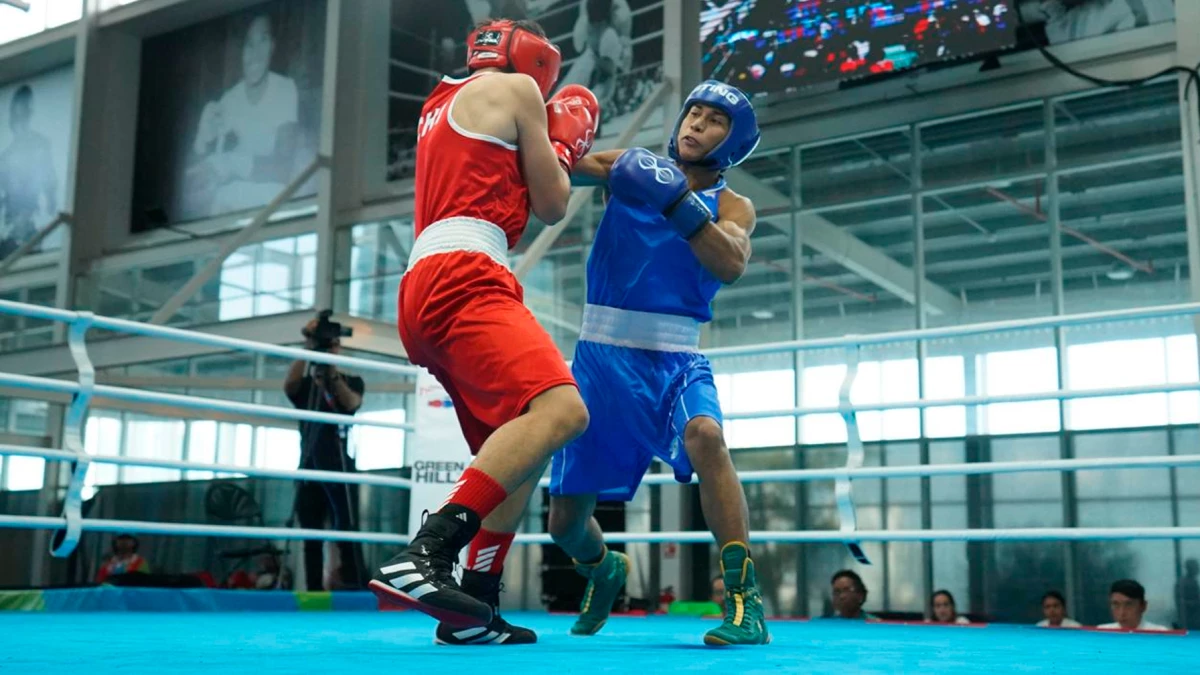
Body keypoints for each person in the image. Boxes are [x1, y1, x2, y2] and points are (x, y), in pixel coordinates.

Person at [368, 18, 600, 646]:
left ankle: (474, 607)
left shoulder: (440, 103)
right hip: (467, 273)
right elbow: (551, 204)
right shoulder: (521, 91)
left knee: (517, 450)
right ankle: (427, 551)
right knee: (564, 409)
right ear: (537, 64)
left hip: (423, 284)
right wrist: (564, 146)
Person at [546, 80, 765, 646]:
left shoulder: (733, 205)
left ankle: (745, 602)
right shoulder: (630, 166)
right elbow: (559, 170)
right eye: (692, 112)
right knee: (565, 524)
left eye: (714, 119)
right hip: (599, 358)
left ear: (733, 139)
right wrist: (535, 126)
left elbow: (732, 261)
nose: (696, 123)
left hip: (675, 358)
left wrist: (676, 202)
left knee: (706, 435)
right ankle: (603, 568)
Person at [189, 13, 304, 217]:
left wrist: (232, 163)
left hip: (271, 203)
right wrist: (201, 139)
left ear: (273, 46)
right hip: (229, 209)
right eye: (248, 45)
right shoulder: (228, 100)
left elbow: (284, 170)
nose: (256, 54)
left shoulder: (285, 89)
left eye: (263, 40)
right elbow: (195, 182)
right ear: (239, 51)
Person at [283, 314, 366, 591]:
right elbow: (289, 386)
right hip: (309, 464)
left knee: (347, 530)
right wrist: (309, 347)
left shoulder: (351, 379)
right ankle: (314, 591)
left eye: (332, 344)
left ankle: (355, 586)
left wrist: (330, 374)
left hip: (341, 466)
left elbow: (351, 403)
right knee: (311, 535)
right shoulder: (305, 385)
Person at [0, 84, 58, 259]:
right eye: (17, 116)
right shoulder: (6, 155)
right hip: (10, 226)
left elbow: (50, 185)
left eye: (24, 114)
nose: (20, 121)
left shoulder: (40, 145)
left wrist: (48, 201)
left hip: (29, 225)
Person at [1098, 579, 1169, 631]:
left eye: (1128, 605)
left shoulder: (1160, 634)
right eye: (1116, 605)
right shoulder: (1102, 633)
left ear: (1143, 606)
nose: (1121, 613)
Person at [1176, 558, 1200, 630]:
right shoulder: (1183, 583)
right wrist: (1196, 603)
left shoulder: (1193, 581)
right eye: (1196, 567)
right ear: (1190, 568)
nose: (1198, 569)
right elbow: (1181, 602)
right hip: (1190, 621)